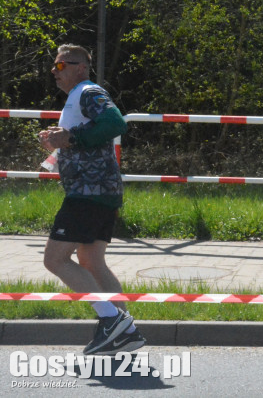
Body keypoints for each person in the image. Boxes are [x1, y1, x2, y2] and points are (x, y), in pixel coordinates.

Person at [37, 44, 145, 355]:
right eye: (54, 66)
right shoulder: (77, 97)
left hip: (89, 191)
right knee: (91, 261)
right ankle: (127, 329)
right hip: (99, 190)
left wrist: (72, 138)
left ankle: (112, 322)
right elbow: (84, 138)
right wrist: (58, 142)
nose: (54, 72)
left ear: (80, 67)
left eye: (61, 66)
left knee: (54, 259)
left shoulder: (88, 91)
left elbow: (115, 123)